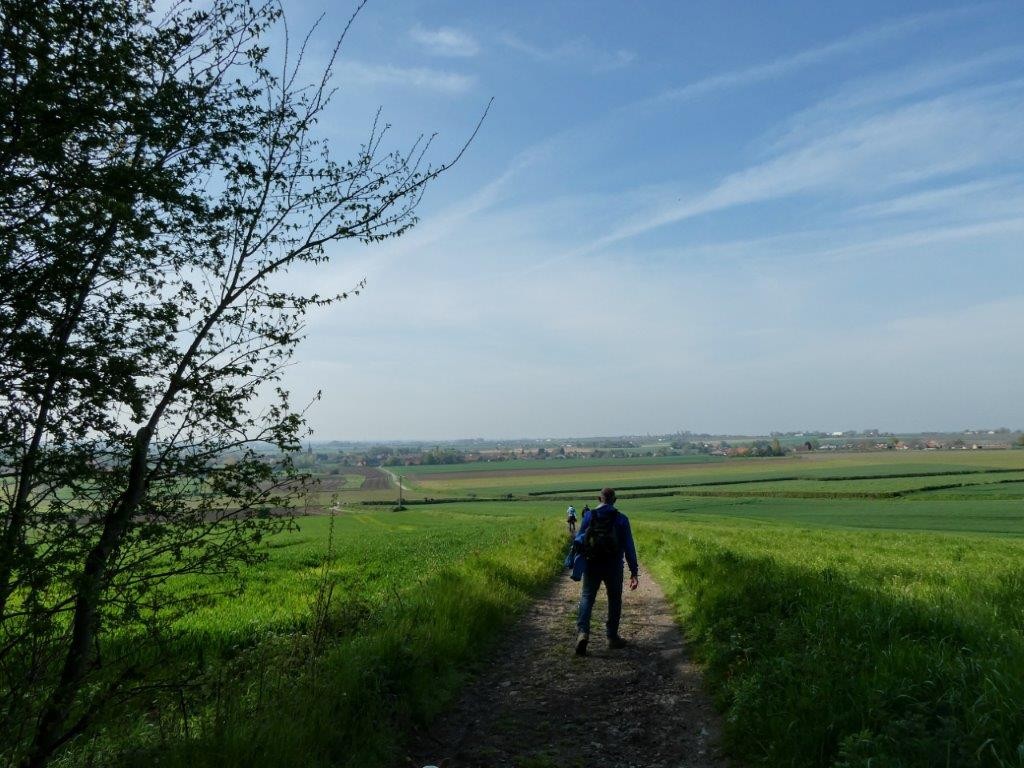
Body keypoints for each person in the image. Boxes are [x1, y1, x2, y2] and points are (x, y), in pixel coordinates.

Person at [574, 487, 639, 656]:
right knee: (614, 599)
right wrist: (634, 572)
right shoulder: (622, 519)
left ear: (599, 499)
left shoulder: (589, 516)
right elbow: (629, 548)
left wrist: (576, 562)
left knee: (587, 597)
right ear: (615, 500)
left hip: (592, 564)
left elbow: (579, 540)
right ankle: (611, 637)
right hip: (614, 566)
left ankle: (583, 633)